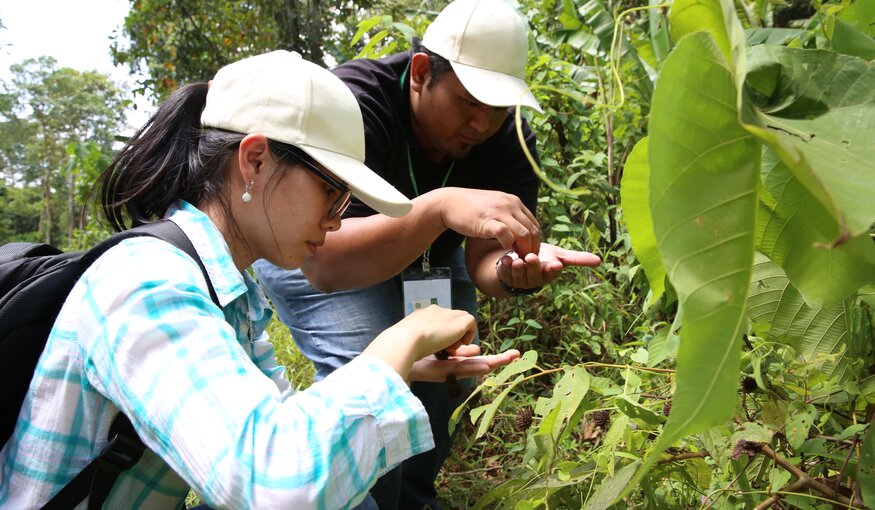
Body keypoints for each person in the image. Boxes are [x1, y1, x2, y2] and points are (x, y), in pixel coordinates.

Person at [0, 50, 521, 509]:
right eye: (331, 192)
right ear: (254, 160)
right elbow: (272, 485)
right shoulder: (148, 283)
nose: (338, 219)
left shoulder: (229, 292)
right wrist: (401, 338)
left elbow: (281, 420)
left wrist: (398, 367)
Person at [253, 0, 602, 508]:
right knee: (375, 371)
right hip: (313, 249)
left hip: (427, 259)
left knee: (445, 373)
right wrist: (439, 208)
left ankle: (412, 496)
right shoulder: (353, 105)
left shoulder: (507, 139)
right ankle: (359, 498)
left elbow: (484, 261)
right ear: (421, 73)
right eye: (468, 102)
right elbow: (325, 262)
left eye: (497, 108)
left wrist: (512, 270)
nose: (482, 124)